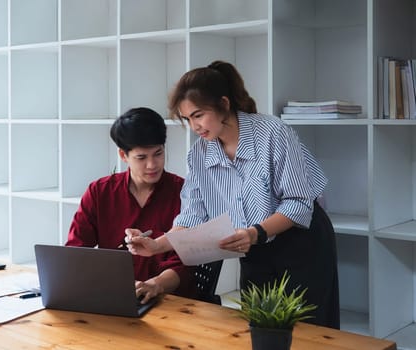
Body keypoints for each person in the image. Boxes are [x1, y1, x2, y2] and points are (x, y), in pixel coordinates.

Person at [126, 61, 340, 329]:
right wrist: (156, 245)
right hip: (252, 249)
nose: (194, 127)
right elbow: (192, 217)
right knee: (260, 329)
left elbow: (298, 202)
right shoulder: (199, 155)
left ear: (223, 104)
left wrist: (254, 233)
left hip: (301, 242)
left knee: (310, 333)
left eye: (198, 115)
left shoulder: (273, 132)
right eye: (188, 119)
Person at [66, 107, 197, 304]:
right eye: (141, 157)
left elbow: (186, 262)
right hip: (112, 296)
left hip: (170, 300)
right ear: (123, 155)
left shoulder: (185, 192)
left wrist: (156, 284)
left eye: (158, 153)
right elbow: (76, 251)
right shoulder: (99, 192)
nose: (152, 164)